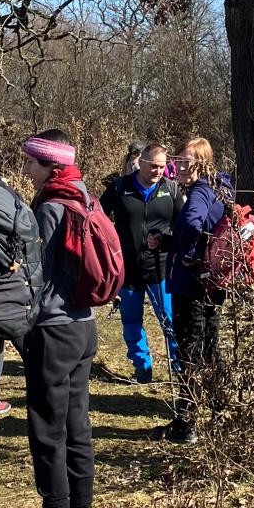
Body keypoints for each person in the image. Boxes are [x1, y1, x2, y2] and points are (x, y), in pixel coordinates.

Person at [10, 130, 99, 508]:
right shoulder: (86, 197)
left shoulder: (49, 207)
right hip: (84, 325)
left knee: (48, 432)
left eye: (32, 162)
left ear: (51, 166)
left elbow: (36, 275)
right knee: (77, 428)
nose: (26, 169)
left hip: (54, 329)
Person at [159, 136, 228, 446]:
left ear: (202, 163)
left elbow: (191, 223)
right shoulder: (221, 187)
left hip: (191, 284)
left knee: (189, 352)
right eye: (178, 160)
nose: (180, 166)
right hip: (213, 281)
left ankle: (185, 425)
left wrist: (185, 254)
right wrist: (169, 241)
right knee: (210, 348)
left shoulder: (200, 190)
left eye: (186, 161)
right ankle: (220, 410)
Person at [100, 139, 182, 383]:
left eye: (162, 167)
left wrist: (166, 241)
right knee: (131, 321)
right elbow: (99, 218)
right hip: (128, 268)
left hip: (161, 268)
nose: (158, 171)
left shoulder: (171, 189)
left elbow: (183, 227)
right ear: (141, 163)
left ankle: (179, 369)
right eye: (153, 166)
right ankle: (142, 368)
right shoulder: (119, 187)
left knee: (170, 320)